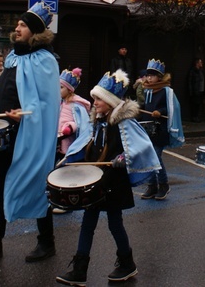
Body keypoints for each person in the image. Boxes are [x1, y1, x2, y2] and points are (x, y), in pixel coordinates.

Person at [0, 1, 60, 262]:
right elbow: (6, 83)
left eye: (23, 25)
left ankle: (46, 242)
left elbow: (48, 101)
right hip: (4, 130)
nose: (17, 28)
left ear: (35, 31)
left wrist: (25, 112)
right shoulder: (14, 56)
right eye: (17, 24)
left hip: (29, 132)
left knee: (38, 183)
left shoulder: (45, 60)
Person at [56, 69, 160, 285]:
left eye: (99, 99)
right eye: (94, 98)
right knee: (88, 223)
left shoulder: (124, 123)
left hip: (114, 183)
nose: (94, 103)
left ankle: (127, 263)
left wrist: (123, 157)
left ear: (111, 102)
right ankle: (80, 270)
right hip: (96, 182)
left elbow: (141, 146)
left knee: (115, 223)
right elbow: (85, 144)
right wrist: (70, 161)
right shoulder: (98, 123)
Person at [139, 59, 184, 200]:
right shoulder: (147, 90)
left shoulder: (166, 91)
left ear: (160, 76)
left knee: (156, 157)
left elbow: (172, 108)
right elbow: (145, 108)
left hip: (160, 130)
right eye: (147, 75)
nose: (149, 78)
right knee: (148, 157)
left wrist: (160, 111)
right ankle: (152, 186)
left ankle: (164, 184)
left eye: (152, 75)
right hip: (148, 130)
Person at [57, 68, 91, 161]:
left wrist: (70, 127)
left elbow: (81, 123)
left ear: (69, 90)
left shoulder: (76, 105)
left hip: (69, 140)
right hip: (58, 139)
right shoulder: (60, 102)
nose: (58, 90)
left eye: (61, 87)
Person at [187, 58, 205, 123]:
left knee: (199, 105)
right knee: (194, 105)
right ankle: (194, 117)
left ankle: (197, 117)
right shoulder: (193, 71)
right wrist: (191, 91)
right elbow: (190, 82)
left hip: (200, 90)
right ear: (197, 63)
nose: (201, 63)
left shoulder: (201, 71)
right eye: (200, 62)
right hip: (195, 91)